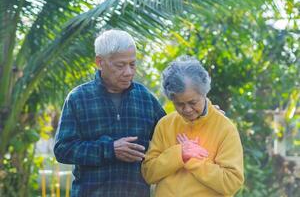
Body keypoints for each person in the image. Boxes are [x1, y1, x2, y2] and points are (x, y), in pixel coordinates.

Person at [53, 29, 166, 197]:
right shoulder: (78, 98)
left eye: (132, 64)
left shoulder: (146, 98)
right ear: (100, 62)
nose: (128, 72)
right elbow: (63, 149)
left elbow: (171, 133)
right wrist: (110, 149)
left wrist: (204, 114)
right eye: (120, 65)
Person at [141, 56, 244, 197]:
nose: (187, 109)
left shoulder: (225, 129)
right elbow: (149, 173)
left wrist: (192, 160)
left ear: (204, 93)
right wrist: (179, 154)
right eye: (180, 104)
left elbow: (230, 183)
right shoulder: (165, 124)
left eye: (193, 102)